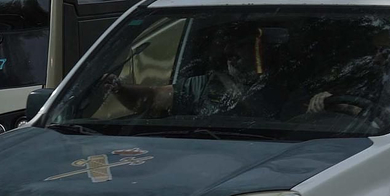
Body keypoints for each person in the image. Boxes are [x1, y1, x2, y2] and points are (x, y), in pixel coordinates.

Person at [103, 22, 276, 118]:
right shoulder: (206, 85)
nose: (229, 53)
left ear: (259, 49)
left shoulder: (283, 83)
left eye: (240, 46)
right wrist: (120, 89)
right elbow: (153, 98)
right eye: (227, 46)